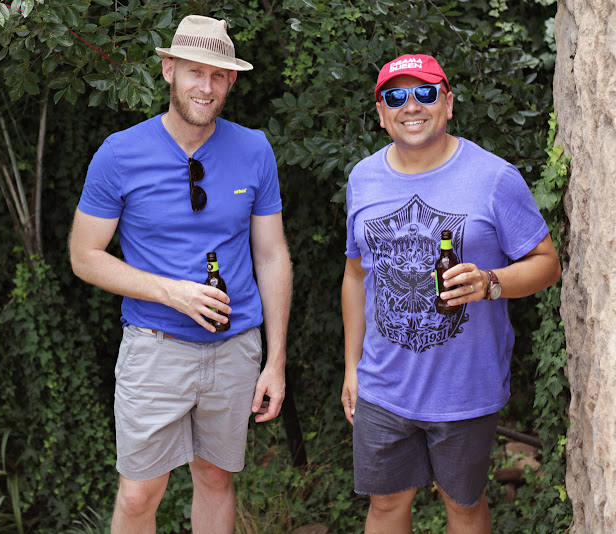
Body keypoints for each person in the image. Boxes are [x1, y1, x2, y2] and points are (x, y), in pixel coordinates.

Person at [68, 14, 292, 534]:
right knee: (139, 493)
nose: (205, 87)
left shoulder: (255, 149)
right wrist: (172, 293)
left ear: (230, 81)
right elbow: (84, 256)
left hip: (235, 348)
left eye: (218, 75)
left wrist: (276, 360)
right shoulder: (120, 153)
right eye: (195, 71)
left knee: (215, 477)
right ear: (169, 69)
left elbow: (272, 256)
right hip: (155, 346)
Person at [341, 53, 561, 534]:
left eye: (425, 92)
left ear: (448, 103)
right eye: (395, 96)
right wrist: (351, 366)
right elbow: (355, 275)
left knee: (462, 506)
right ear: (380, 113)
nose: (410, 105)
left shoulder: (494, 177)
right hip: (382, 384)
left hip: (466, 388)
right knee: (384, 505)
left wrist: (490, 283)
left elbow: (548, 264)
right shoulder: (362, 178)